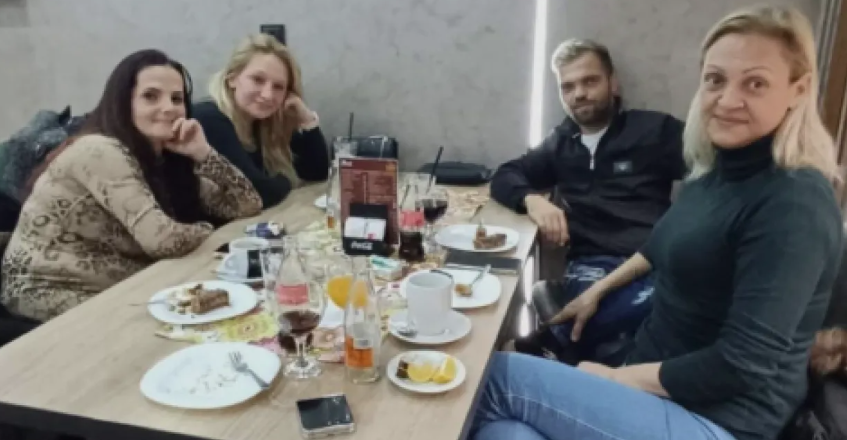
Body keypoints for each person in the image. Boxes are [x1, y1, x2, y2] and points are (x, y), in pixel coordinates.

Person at [472, 6, 844, 440]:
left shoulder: (794, 200)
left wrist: (615, 379)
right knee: (502, 432)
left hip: (717, 421)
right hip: (655, 391)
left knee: (494, 377)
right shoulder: (715, 172)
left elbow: (742, 364)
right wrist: (595, 292)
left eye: (755, 83)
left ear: (799, 90)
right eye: (715, 80)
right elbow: (657, 247)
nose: (727, 100)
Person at [0, 50, 262, 322]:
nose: (168, 107)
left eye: (176, 98)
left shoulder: (165, 159)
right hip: (49, 288)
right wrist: (211, 232)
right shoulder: (99, 151)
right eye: (150, 96)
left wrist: (204, 153)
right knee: (169, 325)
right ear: (123, 103)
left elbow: (247, 205)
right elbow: (163, 241)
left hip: (120, 284)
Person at [492, 38, 685, 363]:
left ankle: (548, 341)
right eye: (567, 86)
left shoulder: (655, 131)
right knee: (602, 311)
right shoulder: (561, 143)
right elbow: (506, 175)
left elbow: (714, 172)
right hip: (592, 264)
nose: (579, 93)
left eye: (590, 81)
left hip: (652, 260)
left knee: (677, 299)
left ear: (613, 83)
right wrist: (533, 201)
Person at [194, 34, 330, 209]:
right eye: (258, 80)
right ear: (232, 79)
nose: (268, 95)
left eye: (278, 87)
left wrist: (307, 120)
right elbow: (257, 193)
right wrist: (286, 180)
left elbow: (317, 173)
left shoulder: (263, 122)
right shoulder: (209, 118)